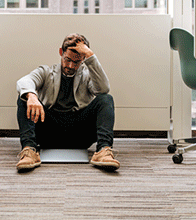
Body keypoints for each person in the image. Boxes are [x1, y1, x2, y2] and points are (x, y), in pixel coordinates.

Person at [15, 33, 119, 172]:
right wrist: (32, 95)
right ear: (61, 52)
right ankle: (29, 150)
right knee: (24, 97)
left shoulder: (87, 75)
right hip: (48, 132)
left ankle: (103, 151)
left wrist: (90, 55)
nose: (70, 66)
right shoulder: (46, 72)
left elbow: (104, 88)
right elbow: (24, 81)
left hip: (79, 133)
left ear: (83, 59)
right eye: (67, 59)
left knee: (106, 99)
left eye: (76, 62)